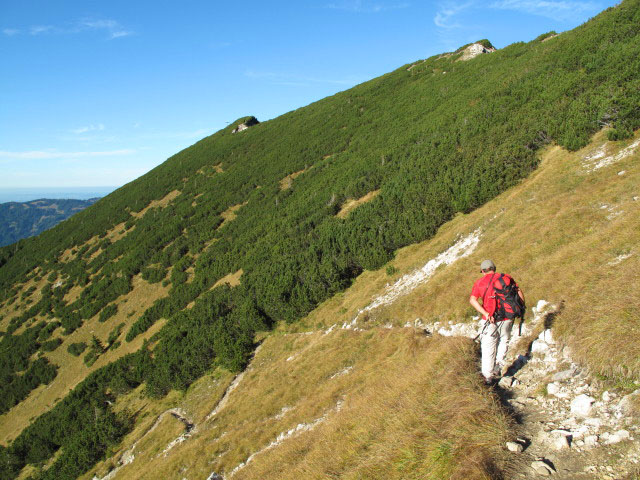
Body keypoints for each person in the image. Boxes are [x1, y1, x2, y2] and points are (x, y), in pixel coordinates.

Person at [469, 259, 525, 384]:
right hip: (508, 317)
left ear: (483, 271)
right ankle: (498, 364)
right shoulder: (506, 278)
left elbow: (472, 300)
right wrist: (521, 308)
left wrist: (485, 313)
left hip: (490, 319)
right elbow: (519, 291)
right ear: (494, 268)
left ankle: (488, 377)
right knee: (504, 340)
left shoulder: (480, 282)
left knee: (488, 346)